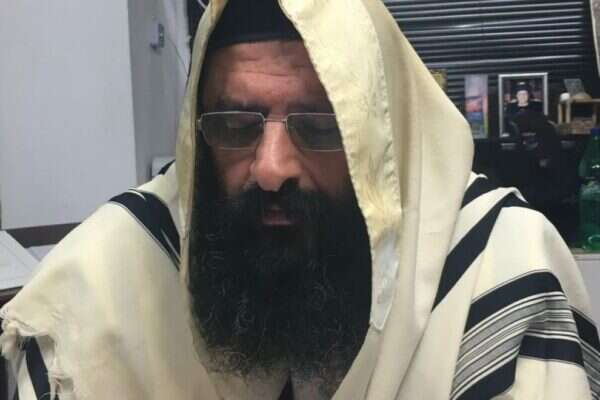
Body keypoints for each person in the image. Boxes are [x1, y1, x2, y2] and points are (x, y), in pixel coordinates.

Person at [2, 1, 599, 399]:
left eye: (321, 126)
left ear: (380, 139)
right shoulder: (106, 280)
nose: (270, 169)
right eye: (235, 126)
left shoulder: (496, 265)